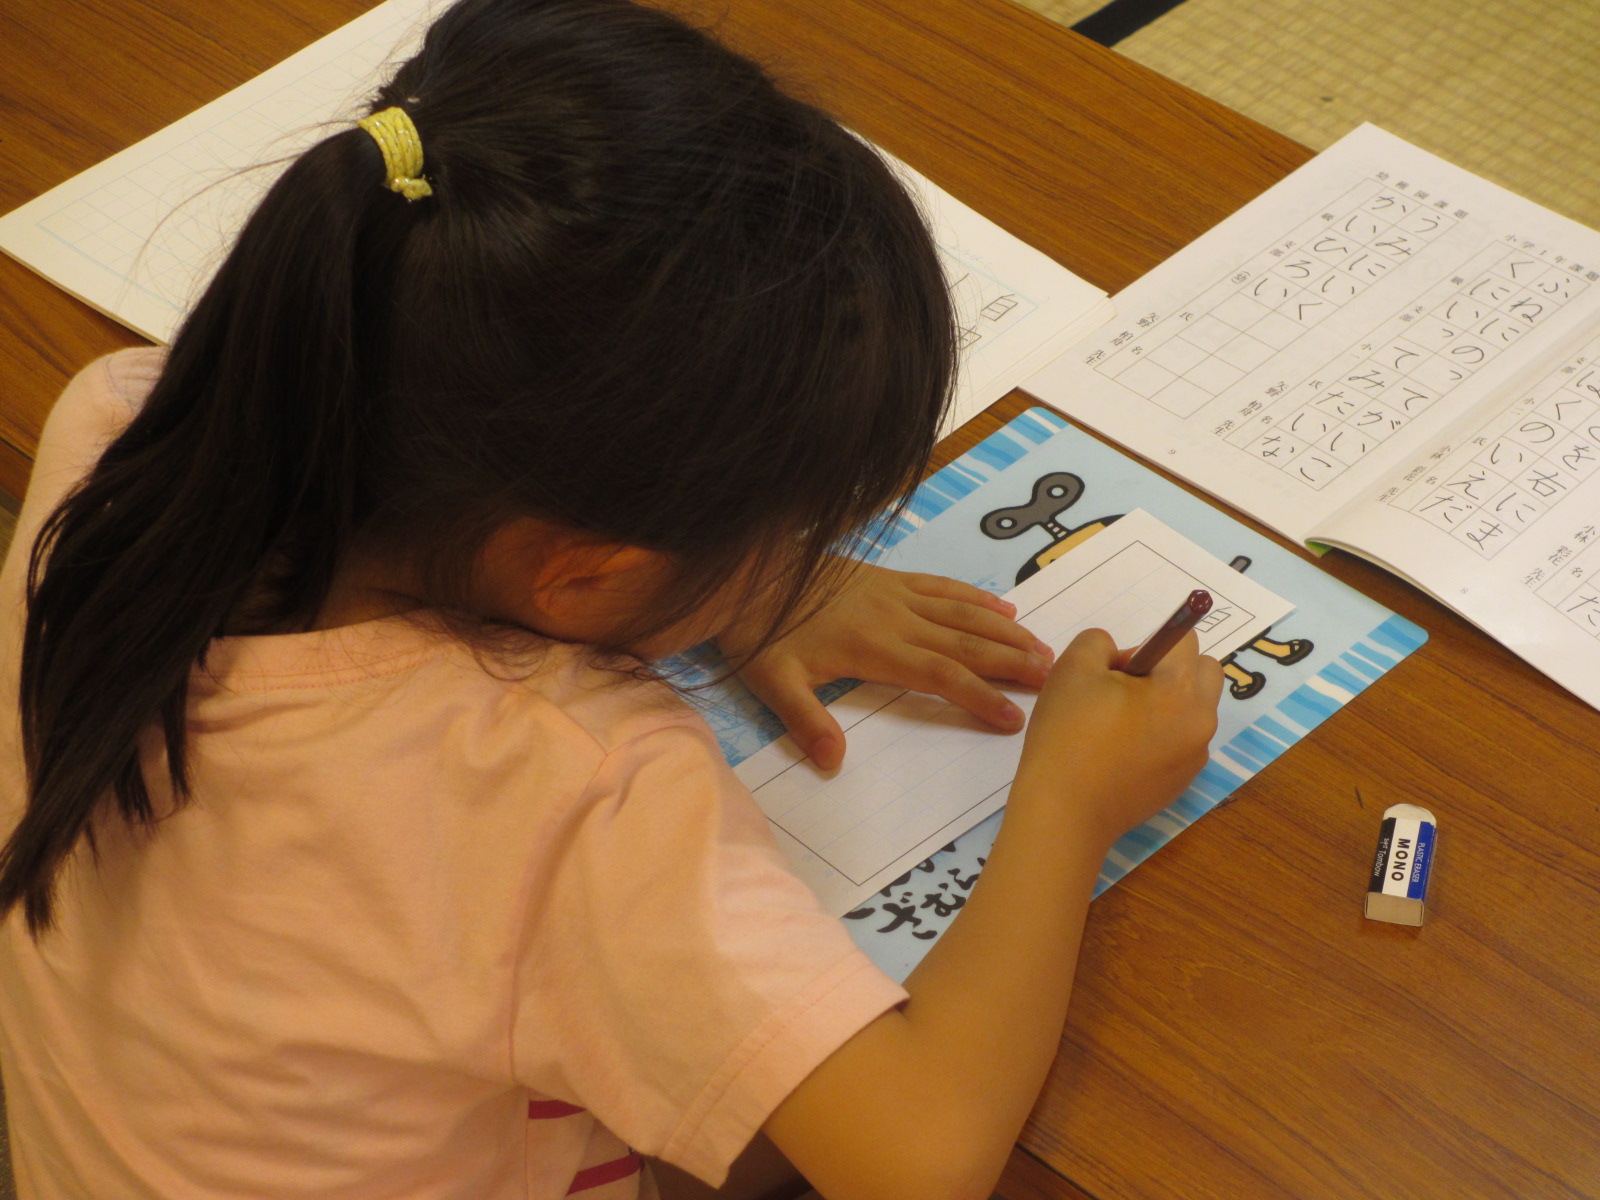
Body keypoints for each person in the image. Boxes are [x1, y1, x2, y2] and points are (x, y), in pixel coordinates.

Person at [0, 0, 1223, 1196]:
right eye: (780, 537)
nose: (800, 559)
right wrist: (1067, 802)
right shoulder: (565, 777)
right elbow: (918, 1157)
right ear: (587, 572)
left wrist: (730, 593)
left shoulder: (122, 433)